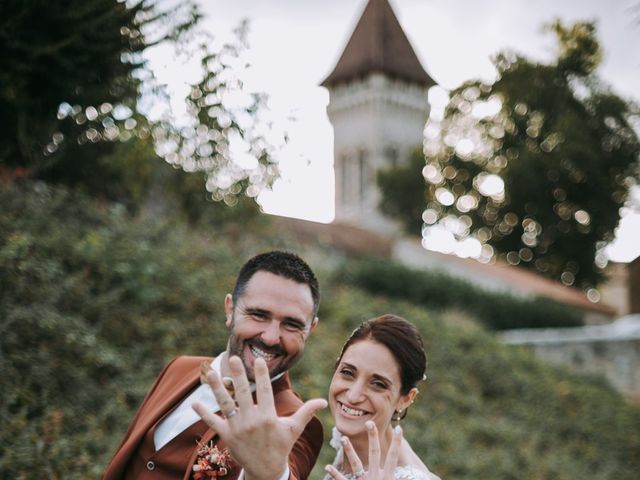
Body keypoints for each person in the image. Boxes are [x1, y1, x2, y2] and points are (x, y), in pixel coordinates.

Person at [103, 251, 326, 480]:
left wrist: (270, 473)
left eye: (291, 324)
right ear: (230, 310)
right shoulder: (179, 367)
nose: (270, 337)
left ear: (310, 330)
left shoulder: (296, 424)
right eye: (258, 315)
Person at [323, 314, 441, 480]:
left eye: (378, 384)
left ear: (406, 398)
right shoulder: (350, 437)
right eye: (347, 372)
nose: (353, 396)